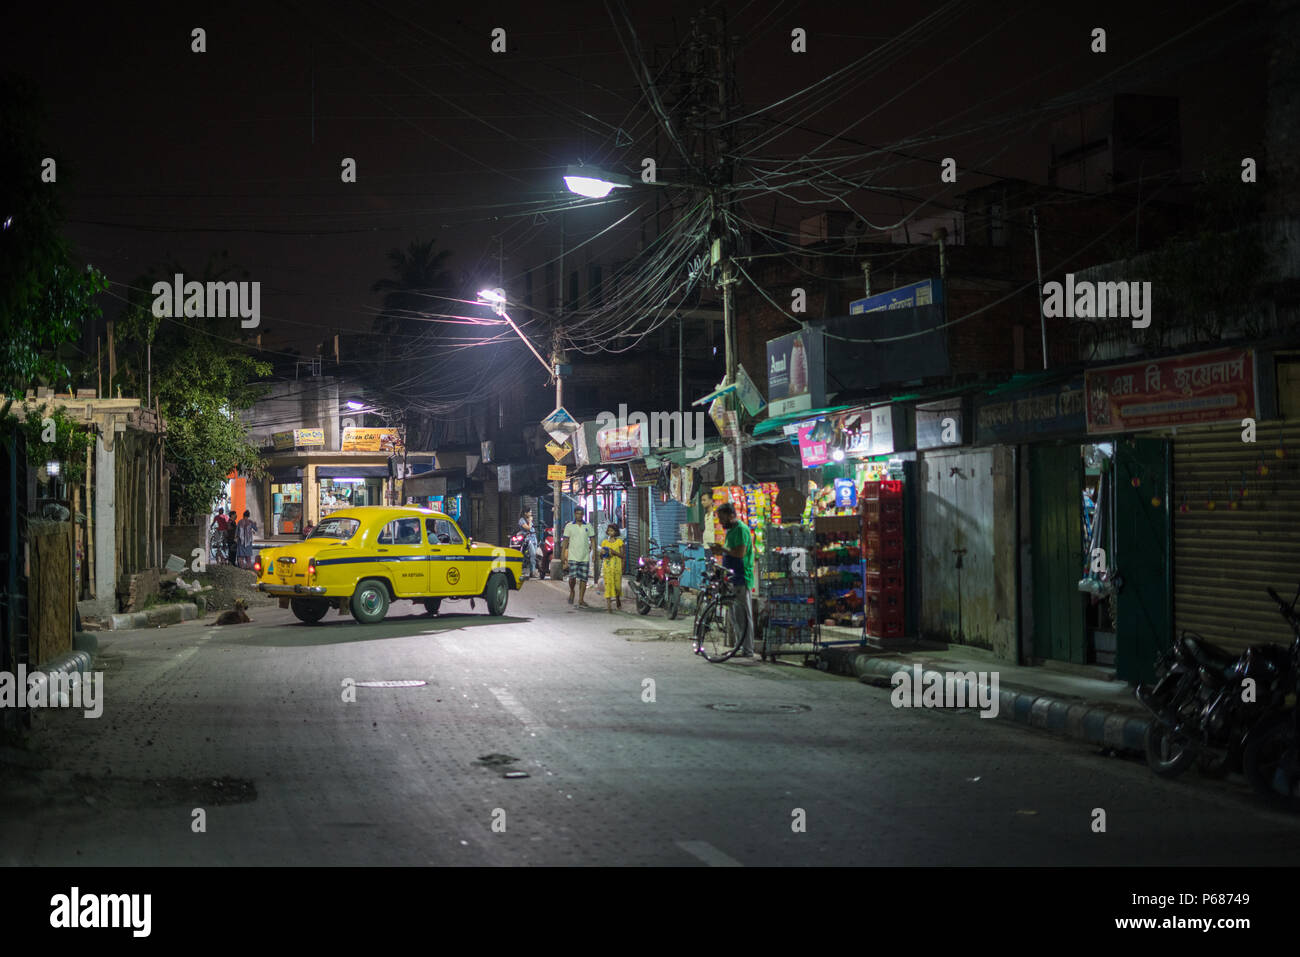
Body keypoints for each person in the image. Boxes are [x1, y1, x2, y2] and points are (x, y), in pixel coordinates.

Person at [709, 502, 755, 658]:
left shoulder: (741, 530)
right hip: (732, 578)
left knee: (743, 616)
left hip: (742, 577)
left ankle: (748, 650)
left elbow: (740, 553)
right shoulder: (731, 530)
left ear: (731, 515)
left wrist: (721, 549)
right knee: (735, 616)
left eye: (723, 518)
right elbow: (730, 551)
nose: (721, 522)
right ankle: (739, 647)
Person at [562, 507, 597, 607]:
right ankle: (572, 591)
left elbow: (593, 540)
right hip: (573, 556)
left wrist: (594, 552)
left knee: (584, 579)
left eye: (581, 514)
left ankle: (581, 599)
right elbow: (565, 541)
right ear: (574, 514)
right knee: (572, 577)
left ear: (583, 514)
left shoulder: (588, 526)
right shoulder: (569, 526)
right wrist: (562, 554)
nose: (579, 515)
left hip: (584, 556)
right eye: (577, 513)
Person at [600, 524, 624, 613]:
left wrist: (614, 552)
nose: (610, 532)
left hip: (617, 567)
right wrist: (602, 553)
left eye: (612, 531)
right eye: (609, 531)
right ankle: (609, 606)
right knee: (608, 585)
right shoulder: (604, 543)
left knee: (617, 587)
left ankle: (618, 599)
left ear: (616, 532)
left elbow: (622, 555)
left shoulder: (619, 542)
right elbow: (601, 557)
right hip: (607, 568)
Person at [518, 508, 537, 579]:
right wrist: (530, 521)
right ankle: (533, 571)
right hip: (527, 539)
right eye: (530, 512)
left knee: (534, 556)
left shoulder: (528, 519)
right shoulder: (522, 520)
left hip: (533, 537)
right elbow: (528, 528)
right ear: (525, 513)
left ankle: (533, 572)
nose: (531, 513)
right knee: (533, 554)